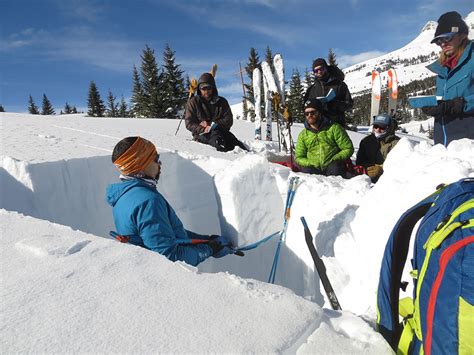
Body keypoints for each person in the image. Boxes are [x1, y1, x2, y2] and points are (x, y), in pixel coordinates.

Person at [105, 136, 235, 266]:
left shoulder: (125, 196)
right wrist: (210, 249)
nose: (160, 164)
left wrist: (207, 241)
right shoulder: (148, 202)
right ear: (140, 165)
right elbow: (170, 257)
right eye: (155, 159)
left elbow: (170, 234)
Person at [423, 11, 474, 146]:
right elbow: (446, 106)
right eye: (439, 41)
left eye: (447, 38)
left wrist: (458, 105)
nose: (443, 44)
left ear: (462, 35)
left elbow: (455, 105)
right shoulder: (442, 69)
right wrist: (436, 108)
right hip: (443, 145)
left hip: (468, 145)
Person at [185, 72, 248, 152]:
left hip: (221, 130)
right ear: (199, 89)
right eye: (203, 88)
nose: (206, 91)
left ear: (213, 88)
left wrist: (213, 124)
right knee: (219, 143)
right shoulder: (193, 102)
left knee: (237, 145)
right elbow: (189, 123)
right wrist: (202, 128)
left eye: (208, 88)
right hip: (202, 134)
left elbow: (228, 120)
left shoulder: (222, 101)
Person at [295, 98, 354, 177]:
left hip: (332, 167)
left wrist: (335, 159)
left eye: (313, 112)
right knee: (307, 173)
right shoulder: (303, 135)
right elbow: (299, 157)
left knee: (336, 168)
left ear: (320, 112)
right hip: (313, 168)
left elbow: (348, 148)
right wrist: (309, 163)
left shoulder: (334, 128)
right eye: (307, 114)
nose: (310, 115)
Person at [303, 58, 353, 127]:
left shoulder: (340, 85)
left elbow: (349, 104)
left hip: (336, 125)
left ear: (326, 68)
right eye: (316, 70)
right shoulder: (311, 89)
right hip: (318, 128)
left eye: (321, 69)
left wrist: (335, 104)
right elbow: (305, 107)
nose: (319, 72)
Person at [356, 113, 400, 183]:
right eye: (376, 126)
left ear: (390, 128)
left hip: (387, 181)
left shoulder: (397, 143)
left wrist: (381, 169)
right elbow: (359, 161)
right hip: (365, 180)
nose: (378, 130)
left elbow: (399, 165)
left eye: (382, 128)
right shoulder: (366, 141)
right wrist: (366, 168)